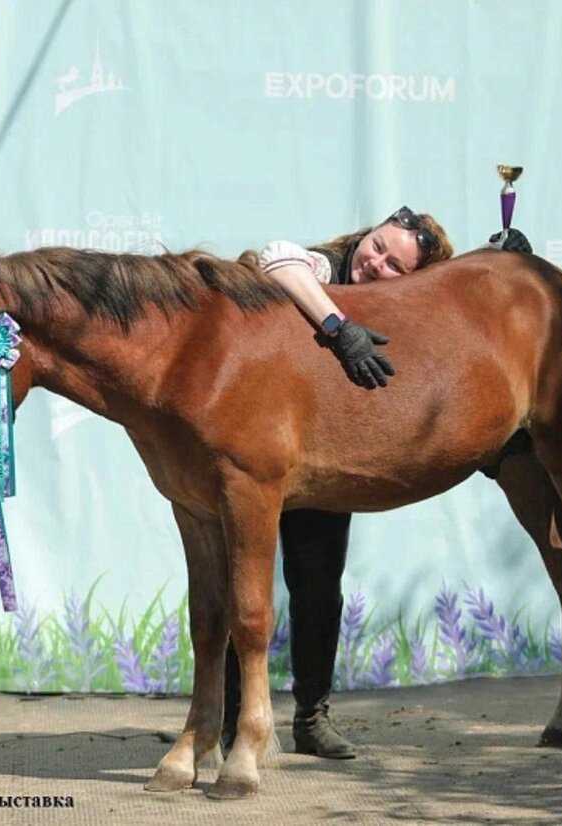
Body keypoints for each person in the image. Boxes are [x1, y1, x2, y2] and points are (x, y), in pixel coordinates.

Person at [222, 208, 530, 759]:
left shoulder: (409, 302)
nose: (376, 261)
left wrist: (497, 263)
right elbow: (274, 258)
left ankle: (311, 718)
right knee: (240, 586)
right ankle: (228, 721)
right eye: (377, 245)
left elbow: (453, 296)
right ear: (366, 233)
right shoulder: (324, 263)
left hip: (324, 461)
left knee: (317, 588)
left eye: (393, 265)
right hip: (256, 451)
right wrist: (339, 327)